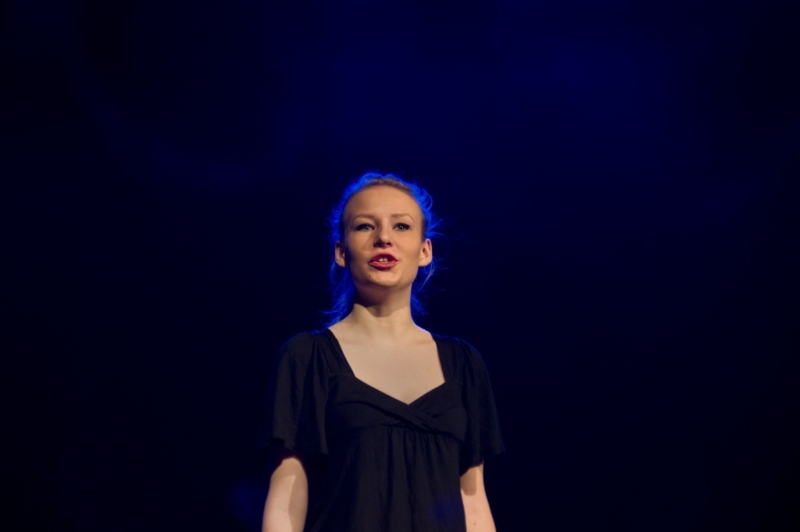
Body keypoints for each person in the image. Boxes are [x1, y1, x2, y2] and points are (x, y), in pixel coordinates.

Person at [261, 173, 504, 532]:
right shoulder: (307, 358)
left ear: (425, 251)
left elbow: (473, 502)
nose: (384, 238)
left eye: (401, 226)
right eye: (365, 226)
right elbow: (286, 498)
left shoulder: (464, 365)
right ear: (341, 252)